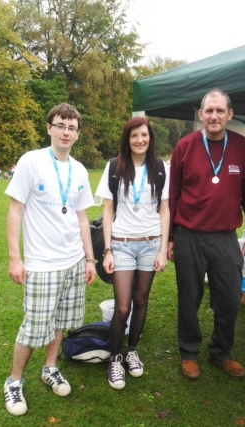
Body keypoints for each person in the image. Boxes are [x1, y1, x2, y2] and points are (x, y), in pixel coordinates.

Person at [3, 103, 97, 416]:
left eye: (72, 128)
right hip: (42, 264)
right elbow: (15, 211)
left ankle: (50, 368)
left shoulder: (80, 169)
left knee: (61, 323)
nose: (66, 132)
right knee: (33, 328)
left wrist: (90, 259)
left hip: (73, 262)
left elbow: (83, 219)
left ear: (77, 133)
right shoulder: (31, 161)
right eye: (60, 125)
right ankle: (14, 381)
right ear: (49, 128)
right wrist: (15, 259)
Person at [168, 89, 245, 380]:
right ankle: (189, 353)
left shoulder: (243, 147)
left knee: (230, 299)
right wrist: (171, 237)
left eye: (220, 111)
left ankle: (221, 352)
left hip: (225, 237)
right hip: (188, 236)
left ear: (230, 115)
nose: (214, 116)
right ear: (201, 115)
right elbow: (173, 195)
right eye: (209, 111)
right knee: (189, 299)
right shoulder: (185, 146)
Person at [95, 117, 170, 389]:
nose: (140, 140)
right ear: (127, 139)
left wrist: (162, 249)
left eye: (144, 135)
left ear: (150, 138)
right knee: (123, 305)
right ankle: (115, 360)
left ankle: (132, 351)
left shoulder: (161, 167)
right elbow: (107, 209)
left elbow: (165, 210)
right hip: (122, 244)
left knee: (141, 301)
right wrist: (107, 250)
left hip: (150, 244)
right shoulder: (114, 166)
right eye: (134, 136)